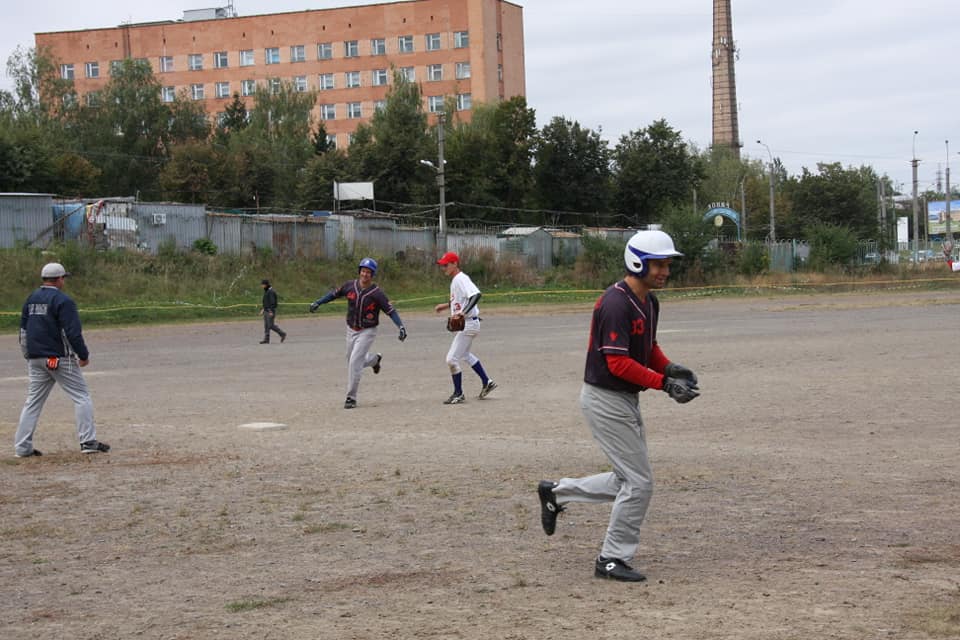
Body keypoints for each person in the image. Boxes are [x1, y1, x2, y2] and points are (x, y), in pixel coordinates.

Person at [536, 230, 699, 582]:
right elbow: (618, 363)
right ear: (637, 262)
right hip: (605, 399)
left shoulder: (649, 302)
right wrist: (664, 384)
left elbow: (648, 348)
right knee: (639, 484)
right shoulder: (615, 303)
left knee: (628, 479)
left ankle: (556, 493)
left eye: (667, 264)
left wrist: (669, 368)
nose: (665, 271)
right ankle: (611, 558)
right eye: (658, 264)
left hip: (623, 398)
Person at [14, 262, 110, 457]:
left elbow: (23, 331)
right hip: (58, 358)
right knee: (81, 396)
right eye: (63, 278)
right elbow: (72, 332)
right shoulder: (63, 301)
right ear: (59, 279)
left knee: (33, 402)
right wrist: (83, 354)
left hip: (35, 357)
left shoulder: (31, 299)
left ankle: (22, 447)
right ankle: (88, 441)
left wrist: (28, 355)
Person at [309, 258, 407, 409]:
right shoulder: (350, 286)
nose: (365, 274)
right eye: (363, 271)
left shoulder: (377, 293)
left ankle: (351, 397)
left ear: (372, 275)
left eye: (368, 272)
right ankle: (374, 360)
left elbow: (390, 311)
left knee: (355, 362)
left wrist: (401, 326)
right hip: (351, 329)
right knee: (352, 360)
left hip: (367, 331)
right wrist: (318, 302)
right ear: (359, 271)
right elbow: (333, 294)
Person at [434, 251, 497, 405]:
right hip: (470, 323)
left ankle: (458, 393)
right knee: (465, 355)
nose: (443, 268)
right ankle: (487, 382)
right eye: (442, 265)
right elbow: (460, 300)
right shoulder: (456, 280)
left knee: (451, 359)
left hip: (468, 324)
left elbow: (476, 295)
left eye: (446, 265)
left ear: (455, 264)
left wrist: (463, 312)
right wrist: (446, 306)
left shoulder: (461, 278)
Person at [259, 279, 287, 344]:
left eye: (262, 284)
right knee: (266, 325)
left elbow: (273, 302)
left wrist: (271, 311)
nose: (261, 286)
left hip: (270, 311)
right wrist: (263, 309)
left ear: (266, 285)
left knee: (270, 325)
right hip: (266, 310)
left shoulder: (271, 291)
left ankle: (282, 334)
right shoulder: (266, 291)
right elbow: (266, 302)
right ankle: (266, 339)